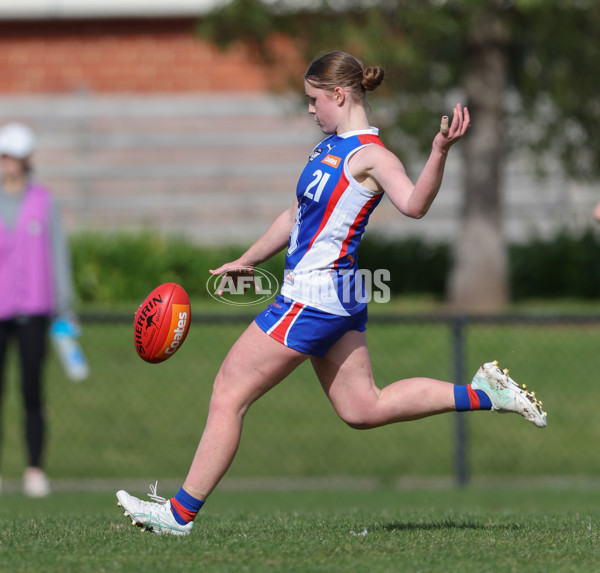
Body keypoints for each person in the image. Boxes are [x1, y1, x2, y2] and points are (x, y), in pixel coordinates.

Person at [116, 51, 547, 535]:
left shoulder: (372, 156)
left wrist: (440, 151)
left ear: (338, 96)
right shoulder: (327, 149)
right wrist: (248, 259)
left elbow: (414, 204)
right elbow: (295, 216)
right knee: (363, 407)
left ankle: (177, 516)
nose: (309, 110)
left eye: (313, 100)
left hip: (313, 298)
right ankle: (483, 392)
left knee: (227, 393)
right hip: (335, 297)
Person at [0, 122, 78, 497]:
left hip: (35, 309)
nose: (7, 163)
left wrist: (65, 308)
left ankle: (34, 468)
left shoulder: (44, 202)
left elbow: (57, 256)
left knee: (32, 390)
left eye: (12, 156)